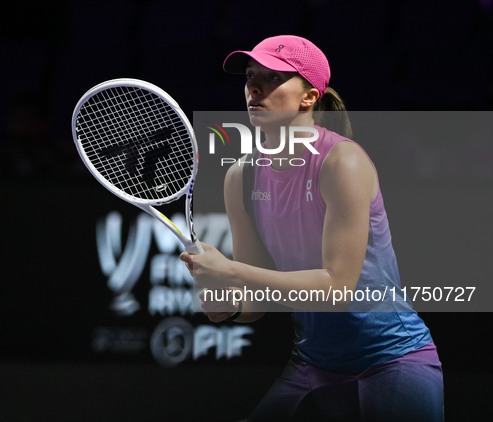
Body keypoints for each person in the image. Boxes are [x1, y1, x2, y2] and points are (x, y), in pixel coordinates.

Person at [180, 36, 444, 421]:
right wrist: (232, 305)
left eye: (272, 77)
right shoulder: (241, 178)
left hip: (393, 361)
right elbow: (255, 301)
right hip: (314, 366)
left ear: (308, 97)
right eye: (251, 76)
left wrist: (232, 271)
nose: (254, 87)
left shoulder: (343, 163)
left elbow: (337, 289)